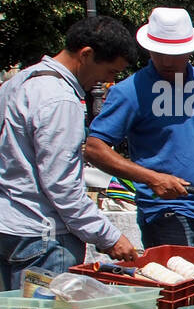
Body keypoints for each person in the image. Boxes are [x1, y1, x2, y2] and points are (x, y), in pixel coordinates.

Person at [86, 7, 194, 249]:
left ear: (191, 50)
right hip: (164, 213)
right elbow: (95, 148)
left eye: (176, 54)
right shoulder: (129, 91)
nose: (168, 61)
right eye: (160, 53)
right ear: (149, 49)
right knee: (182, 283)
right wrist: (152, 179)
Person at [0, 16, 139, 288]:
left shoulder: (19, 82)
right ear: (86, 54)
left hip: (10, 228)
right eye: (110, 71)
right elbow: (62, 186)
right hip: (44, 238)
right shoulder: (61, 99)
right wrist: (109, 236)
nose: (109, 81)